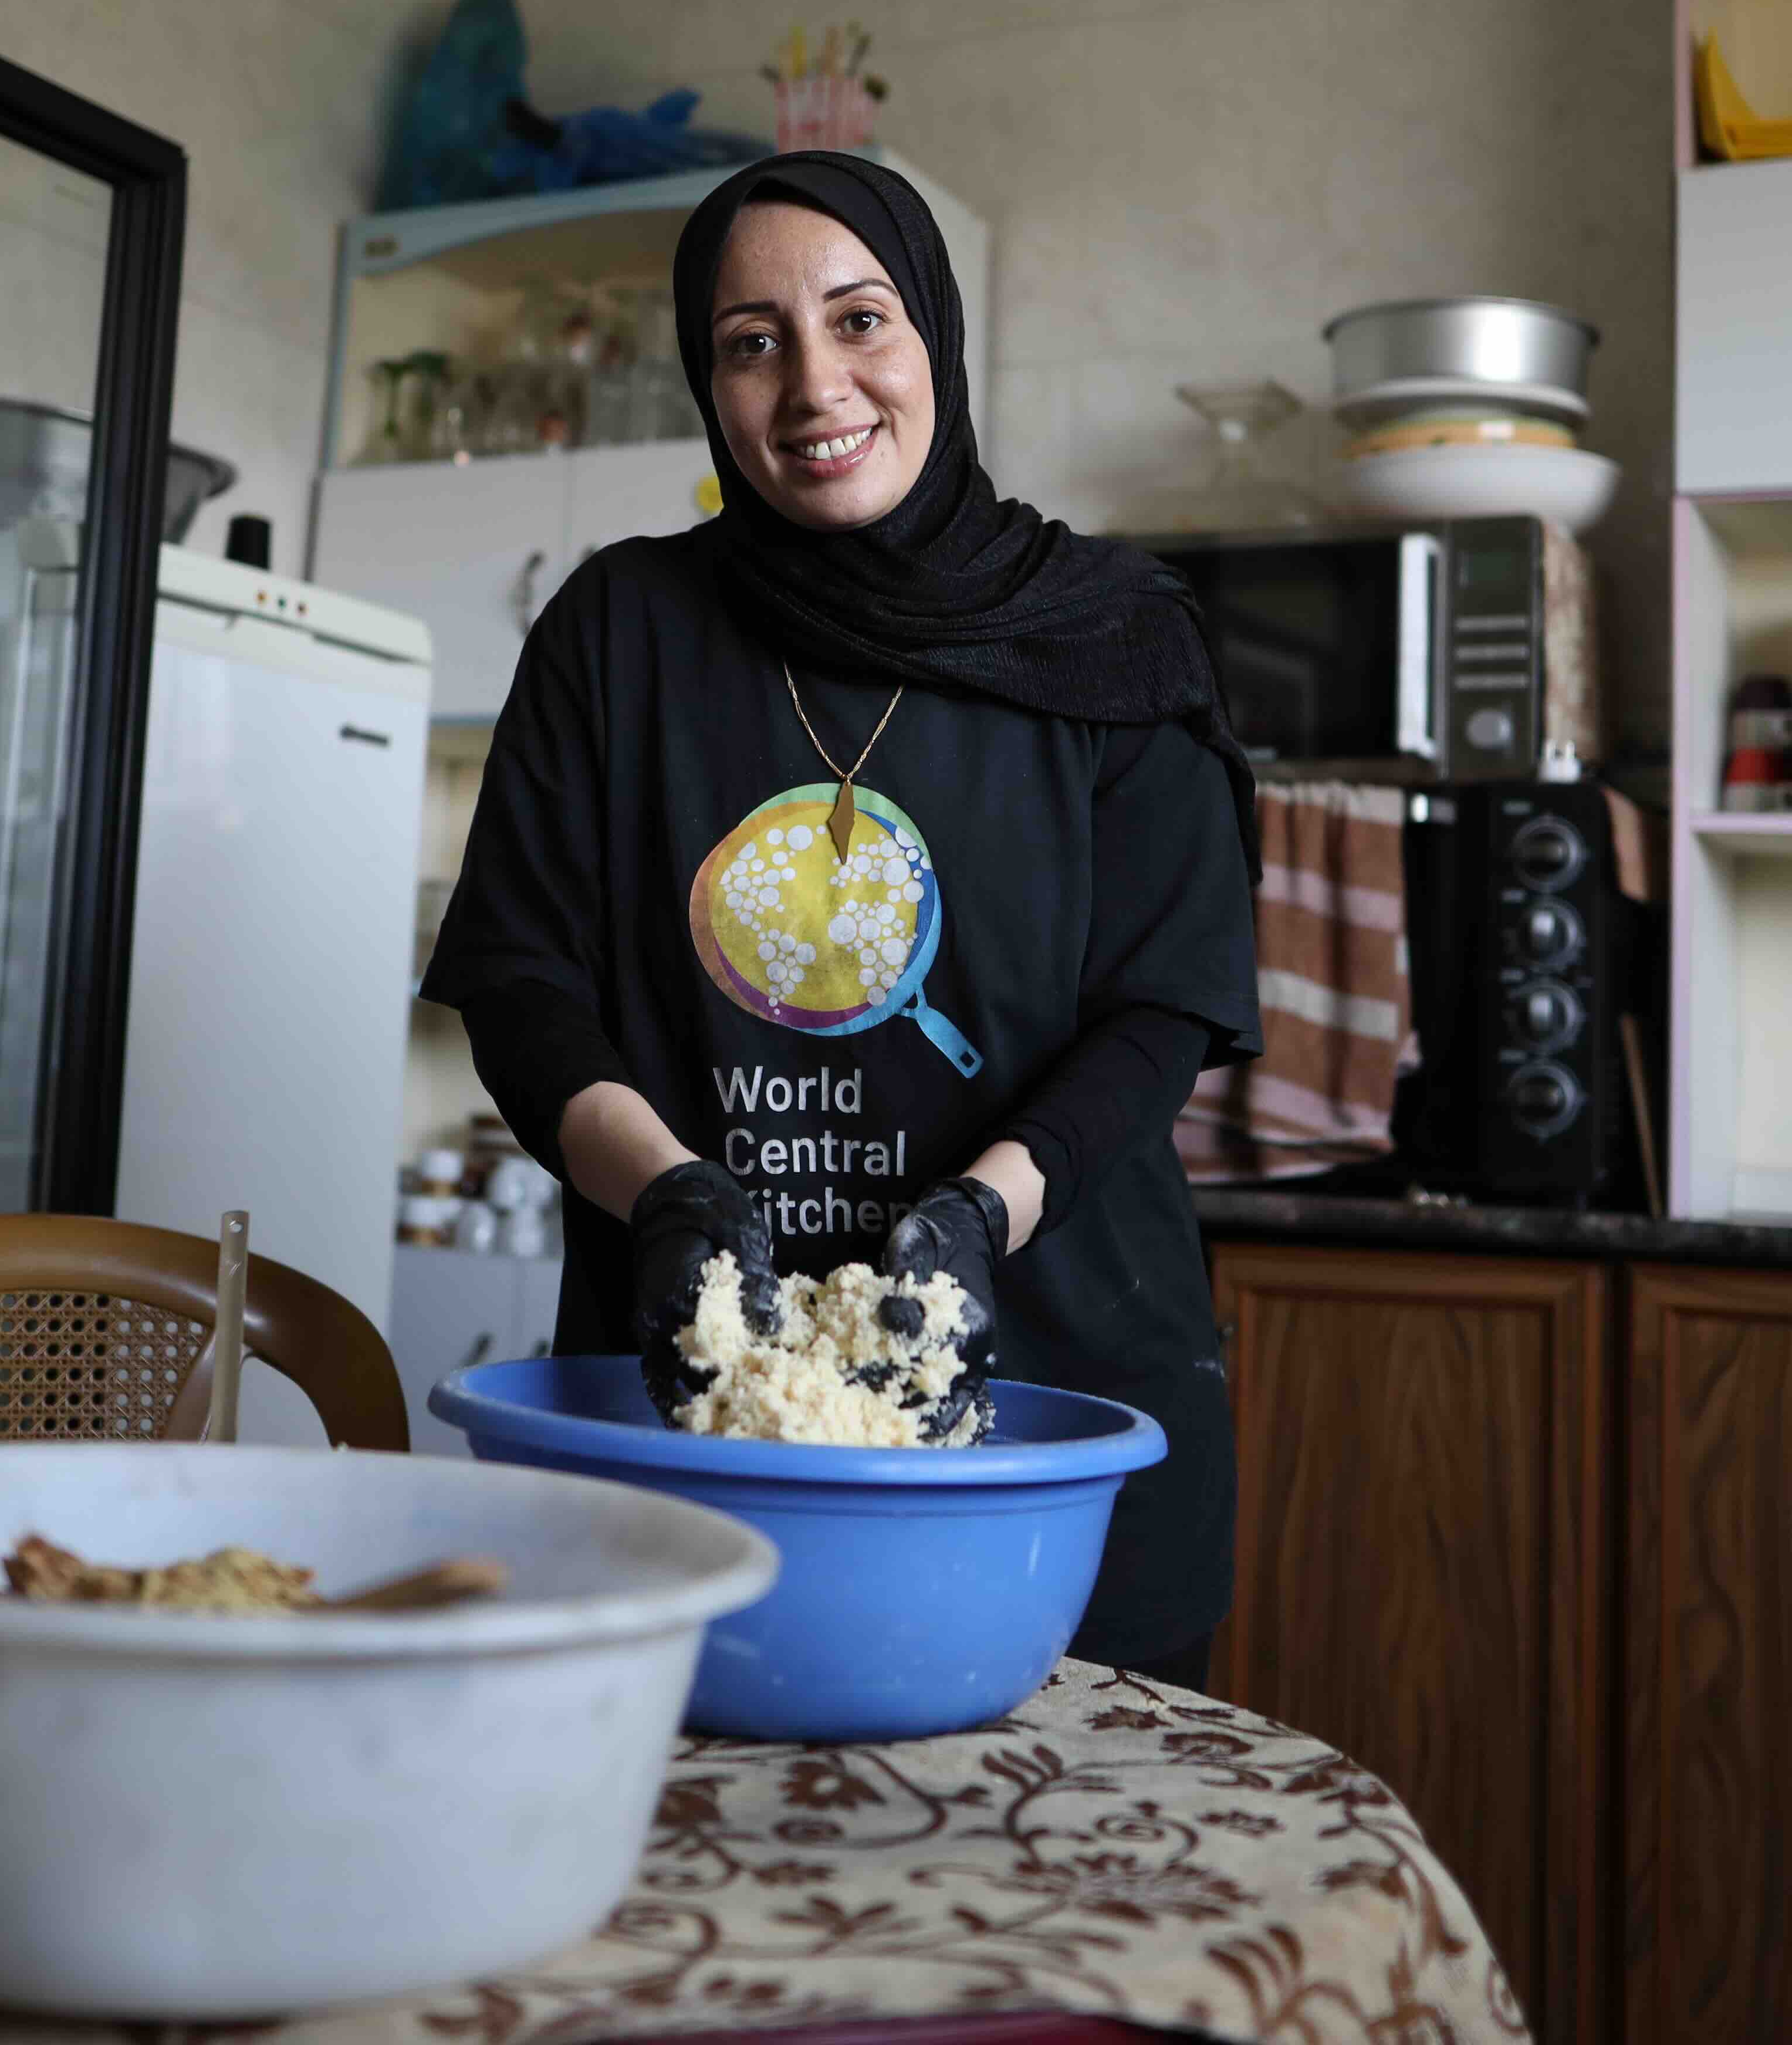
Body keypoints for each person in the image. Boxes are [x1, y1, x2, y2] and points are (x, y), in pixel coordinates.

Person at [421, 151, 1263, 1684]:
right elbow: (522, 981)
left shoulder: (1109, 640)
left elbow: (1163, 1006)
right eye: (753, 341)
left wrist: (978, 1211)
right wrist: (669, 1192)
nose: (816, 386)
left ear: (932, 332)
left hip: (1056, 1396)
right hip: (703, 1424)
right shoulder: (621, 633)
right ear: (709, 378)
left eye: (861, 319)